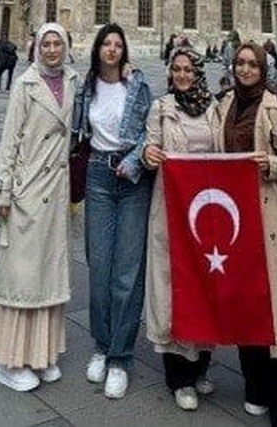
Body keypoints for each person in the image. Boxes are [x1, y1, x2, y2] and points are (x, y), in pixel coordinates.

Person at [206, 42, 277, 426]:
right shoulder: (224, 104)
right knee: (247, 303)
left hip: (269, 219)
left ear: (263, 69)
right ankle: (256, 387)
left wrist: (270, 165)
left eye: (252, 64)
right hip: (236, 222)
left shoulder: (275, 107)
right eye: (240, 63)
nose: (246, 69)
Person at [0, 23, 77, 392]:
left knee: (47, 274)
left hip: (55, 190)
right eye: (46, 44)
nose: (52, 49)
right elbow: (10, 140)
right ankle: (7, 361)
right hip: (26, 189)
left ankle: (41, 354)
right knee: (20, 277)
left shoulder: (72, 80)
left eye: (58, 44)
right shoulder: (24, 84)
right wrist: (2, 190)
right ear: (36, 47)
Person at [73, 23, 153, 399]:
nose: (111, 49)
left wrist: (136, 160)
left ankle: (120, 357)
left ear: (124, 50)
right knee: (100, 266)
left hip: (132, 179)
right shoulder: (86, 86)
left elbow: (150, 132)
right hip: (98, 178)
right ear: (97, 49)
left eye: (117, 44)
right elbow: (75, 135)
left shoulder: (137, 84)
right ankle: (101, 347)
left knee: (128, 272)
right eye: (106, 43)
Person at [139, 46, 219, 411]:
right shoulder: (162, 108)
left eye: (188, 69)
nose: (183, 75)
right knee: (173, 290)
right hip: (171, 211)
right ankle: (179, 378)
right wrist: (147, 155)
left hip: (207, 216)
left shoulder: (214, 108)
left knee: (206, 290)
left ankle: (200, 366)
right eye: (177, 70)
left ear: (198, 72)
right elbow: (149, 147)